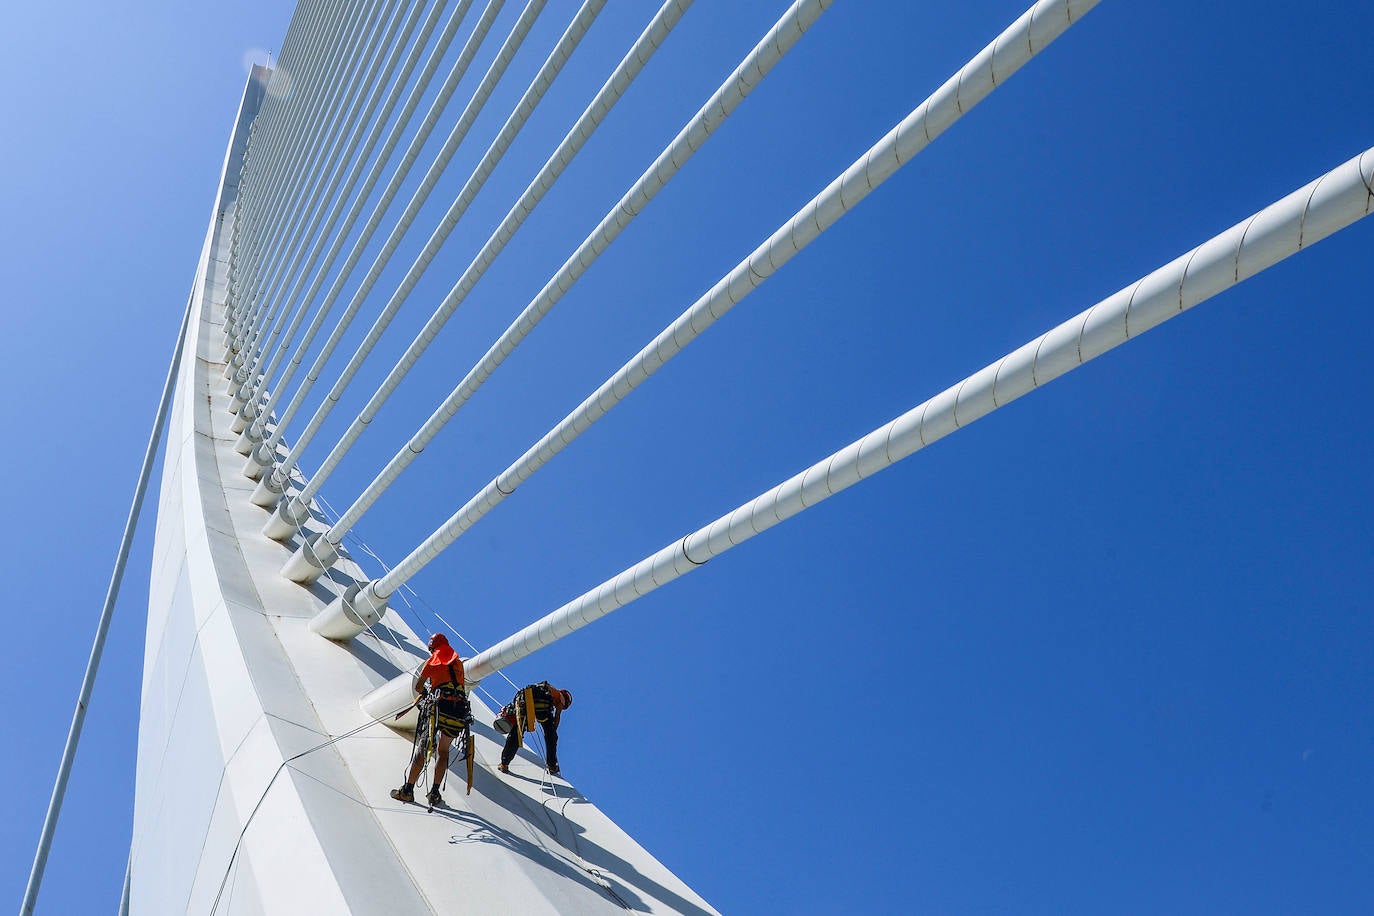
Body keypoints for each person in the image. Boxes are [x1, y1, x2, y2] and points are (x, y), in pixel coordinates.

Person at [391, 633, 470, 806]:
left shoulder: (434, 659)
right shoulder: (458, 663)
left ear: (433, 647)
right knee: (443, 751)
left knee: (425, 746)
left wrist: (427, 691)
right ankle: (434, 793)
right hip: (458, 711)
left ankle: (408, 790)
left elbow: (419, 687)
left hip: (439, 708)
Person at [497, 681, 572, 777]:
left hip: (523, 698)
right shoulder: (560, 697)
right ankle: (552, 765)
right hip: (540, 701)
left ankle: (504, 763)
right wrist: (553, 731)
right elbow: (557, 716)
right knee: (551, 736)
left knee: (517, 732)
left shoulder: (546, 687)